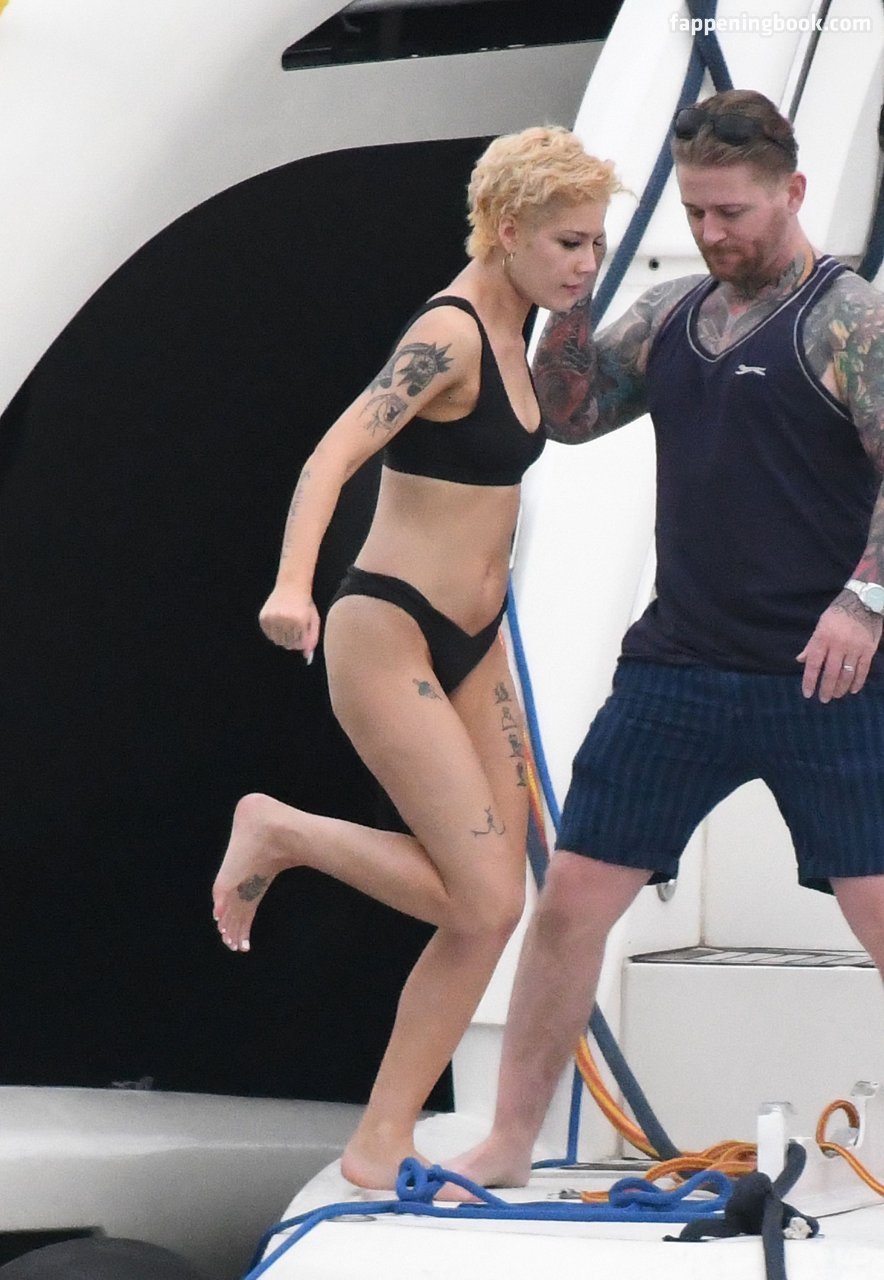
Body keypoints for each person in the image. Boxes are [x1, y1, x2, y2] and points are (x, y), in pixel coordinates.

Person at [452, 88, 884, 1189]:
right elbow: (569, 413)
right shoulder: (673, 313)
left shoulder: (849, 321)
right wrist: (571, 300)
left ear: (792, 191)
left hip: (824, 674)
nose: (712, 232)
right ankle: (509, 1139)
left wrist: (864, 599)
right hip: (680, 664)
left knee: (880, 911)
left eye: (732, 211)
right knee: (569, 904)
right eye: (695, 212)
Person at [211, 126, 621, 1191]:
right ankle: (282, 829)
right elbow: (332, 455)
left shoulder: (526, 324)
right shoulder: (448, 333)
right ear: (506, 230)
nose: (587, 262)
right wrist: (291, 586)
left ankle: (380, 1138)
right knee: (479, 898)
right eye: (570, 242)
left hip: (475, 642)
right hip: (387, 627)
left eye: (595, 241)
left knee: (496, 907)